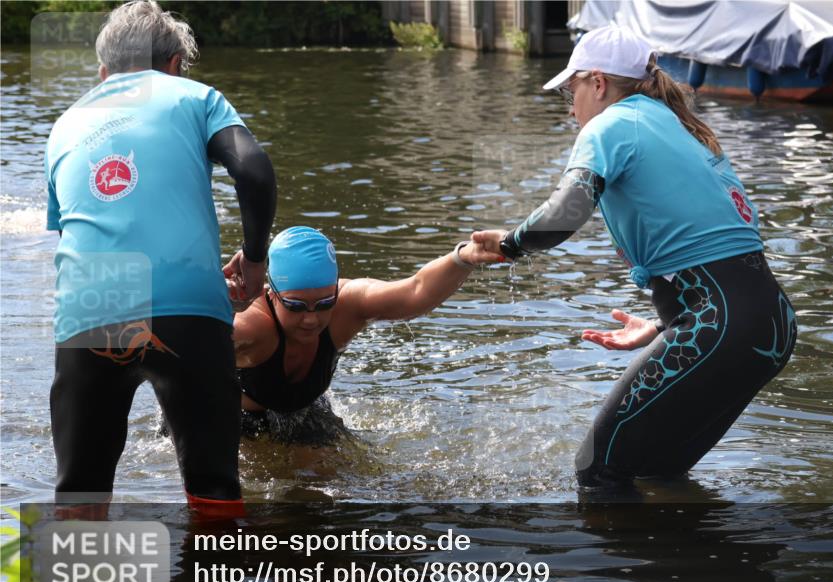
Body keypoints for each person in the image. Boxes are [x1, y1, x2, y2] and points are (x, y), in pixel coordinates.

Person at [473, 26, 797, 489]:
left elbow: (563, 214)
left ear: (598, 83)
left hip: (717, 324)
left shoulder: (611, 124)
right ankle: (701, 560)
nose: (570, 106)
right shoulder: (676, 124)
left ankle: (617, 564)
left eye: (572, 89)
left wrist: (508, 244)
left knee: (596, 470)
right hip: (769, 322)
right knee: (656, 471)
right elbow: (722, 250)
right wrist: (668, 325)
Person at [46, 0, 274, 514]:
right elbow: (254, 171)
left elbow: (73, 233)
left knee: (80, 493)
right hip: (187, 301)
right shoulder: (198, 98)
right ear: (173, 64)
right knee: (214, 491)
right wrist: (255, 260)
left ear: (103, 71)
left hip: (93, 301)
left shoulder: (66, 121)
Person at [231, 226, 504, 441]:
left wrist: (465, 257)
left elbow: (415, 290)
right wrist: (218, 302)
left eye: (325, 303)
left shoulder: (348, 305)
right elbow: (192, 346)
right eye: (296, 306)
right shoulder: (251, 325)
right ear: (272, 293)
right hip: (239, 422)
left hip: (304, 413)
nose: (311, 319)